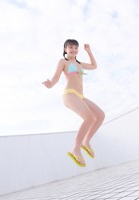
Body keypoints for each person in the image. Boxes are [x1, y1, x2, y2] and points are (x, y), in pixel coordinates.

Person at [42, 39, 105, 167]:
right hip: (69, 94)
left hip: (80, 96)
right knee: (88, 117)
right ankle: (76, 149)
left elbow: (94, 66)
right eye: (70, 47)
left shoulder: (80, 64)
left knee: (100, 115)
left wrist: (89, 51)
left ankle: (86, 142)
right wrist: (50, 85)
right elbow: (56, 77)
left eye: (76, 48)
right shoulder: (63, 62)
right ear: (65, 49)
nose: (73, 50)